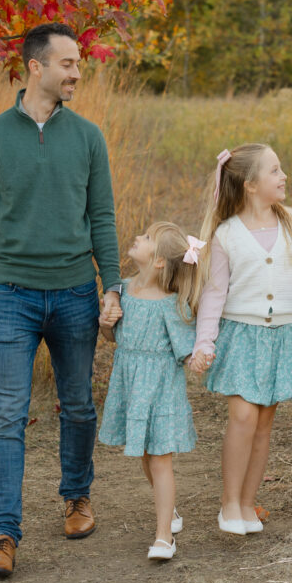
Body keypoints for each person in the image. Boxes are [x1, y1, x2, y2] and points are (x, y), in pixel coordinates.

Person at [0, 23, 122, 578]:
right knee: (7, 414)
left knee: (78, 405)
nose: (77, 73)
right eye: (68, 63)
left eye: (78, 64)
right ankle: (3, 533)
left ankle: (77, 496)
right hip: (10, 294)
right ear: (36, 66)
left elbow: (102, 217)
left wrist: (112, 286)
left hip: (76, 291)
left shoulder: (88, 136)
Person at [190, 145, 292, 535]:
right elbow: (214, 294)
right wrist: (204, 342)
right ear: (250, 185)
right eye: (275, 170)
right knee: (243, 417)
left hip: (283, 335)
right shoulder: (227, 234)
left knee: (264, 423)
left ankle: (248, 503)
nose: (284, 176)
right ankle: (229, 503)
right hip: (243, 336)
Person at [98, 222, 201, 561]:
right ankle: (168, 511)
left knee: (159, 459)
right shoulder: (124, 290)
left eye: (146, 238)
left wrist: (200, 357)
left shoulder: (171, 304)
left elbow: (185, 351)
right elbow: (114, 338)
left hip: (160, 390)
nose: (137, 238)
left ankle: (164, 537)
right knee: (144, 454)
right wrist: (105, 324)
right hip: (130, 385)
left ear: (158, 261)